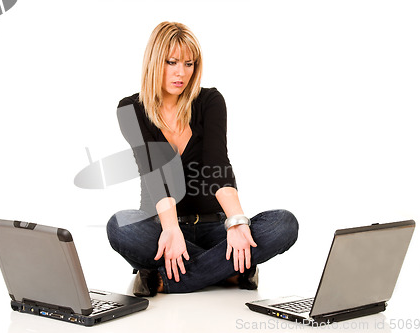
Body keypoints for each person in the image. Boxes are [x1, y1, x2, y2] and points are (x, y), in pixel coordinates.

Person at [107, 21, 298, 296]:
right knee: (120, 226)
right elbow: (155, 171)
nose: (181, 73)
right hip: (161, 229)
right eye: (171, 62)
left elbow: (217, 166)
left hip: (214, 228)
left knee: (284, 224)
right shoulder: (130, 109)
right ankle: (230, 269)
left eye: (189, 64)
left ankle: (172, 278)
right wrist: (171, 229)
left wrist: (236, 223)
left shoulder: (210, 102)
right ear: (154, 62)